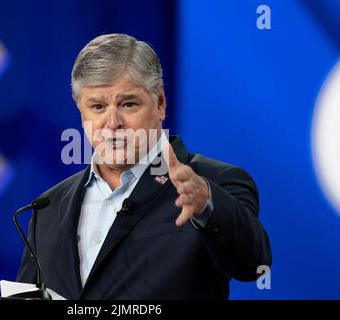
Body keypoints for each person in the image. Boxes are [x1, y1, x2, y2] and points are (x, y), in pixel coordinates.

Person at [16, 33, 271, 299]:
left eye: (128, 104)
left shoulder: (215, 183)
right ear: (82, 114)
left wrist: (207, 204)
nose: (112, 122)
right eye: (98, 106)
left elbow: (253, 265)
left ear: (160, 103)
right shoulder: (48, 207)